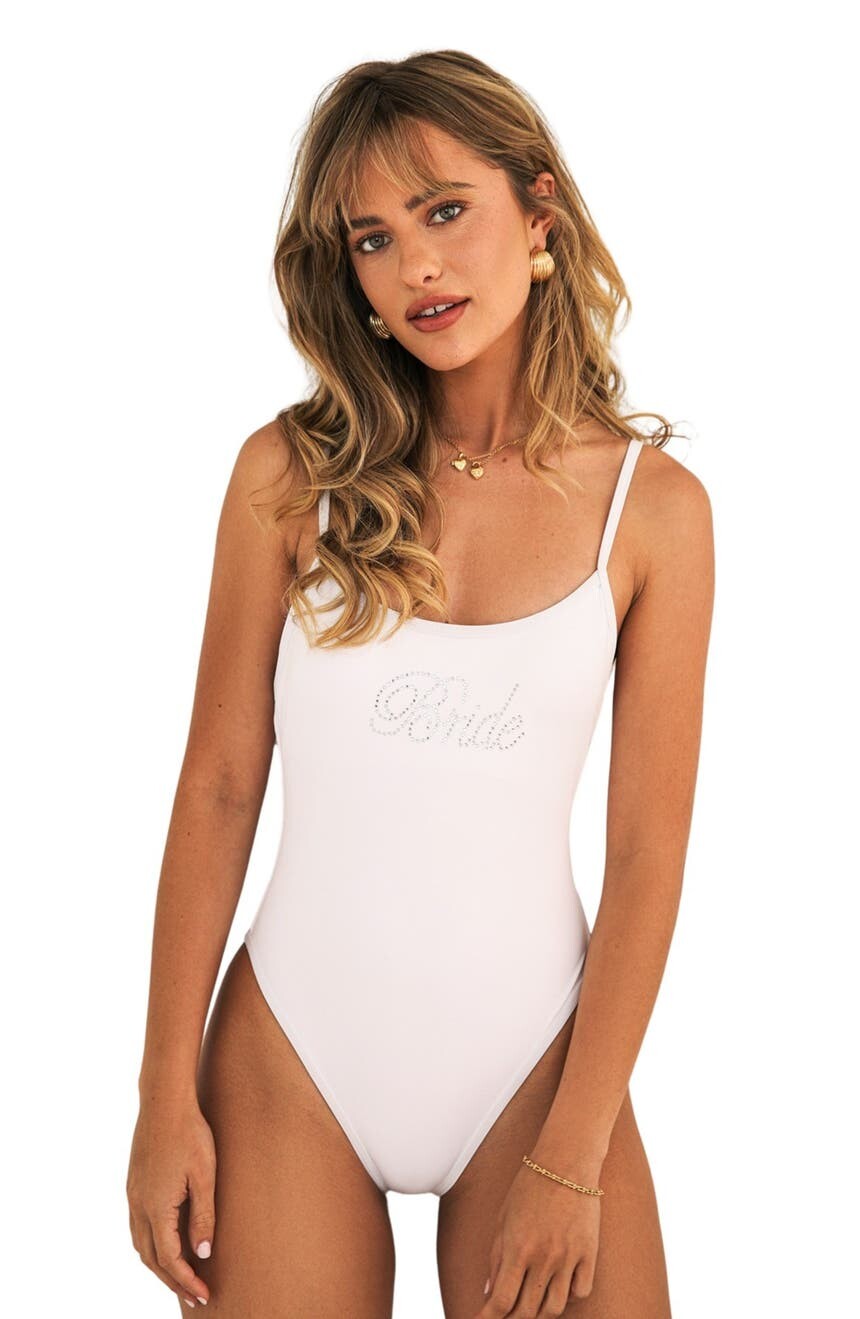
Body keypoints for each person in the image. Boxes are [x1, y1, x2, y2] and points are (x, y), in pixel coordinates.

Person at [126, 49, 714, 1317]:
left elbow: (645, 854)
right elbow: (219, 785)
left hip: (538, 1065)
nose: (417, 268)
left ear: (539, 210)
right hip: (290, 1055)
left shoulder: (652, 511)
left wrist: (573, 1152)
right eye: (374, 239)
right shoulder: (289, 476)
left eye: (446, 210)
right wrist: (161, 1092)